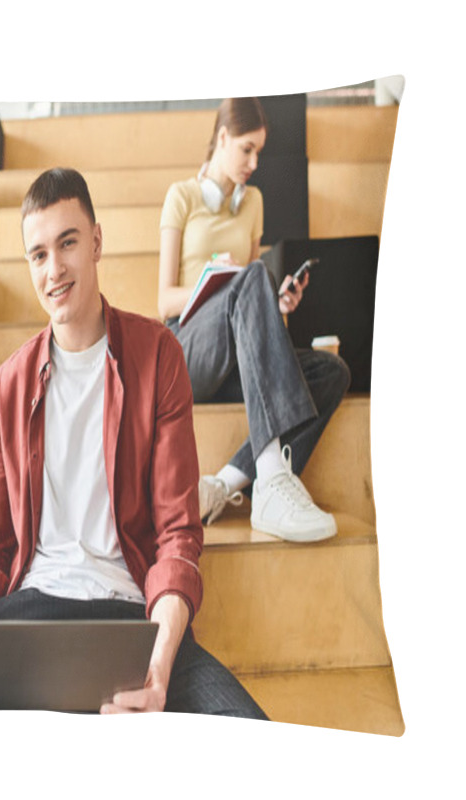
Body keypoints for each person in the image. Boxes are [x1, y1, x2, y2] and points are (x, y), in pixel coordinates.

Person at [0, 168, 268, 718]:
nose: (54, 269)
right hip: (34, 615)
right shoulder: (9, 385)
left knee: (255, 742)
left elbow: (177, 538)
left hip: (135, 620)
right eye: (38, 254)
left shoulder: (159, 354)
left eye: (67, 243)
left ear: (96, 241)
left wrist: (158, 671)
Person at [158, 97, 350, 542]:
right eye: (246, 149)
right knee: (252, 274)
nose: (254, 162)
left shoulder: (254, 202)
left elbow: (251, 302)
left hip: (236, 349)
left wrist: (275, 305)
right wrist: (214, 279)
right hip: (188, 348)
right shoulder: (181, 196)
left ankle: (224, 485)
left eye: (259, 152)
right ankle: (271, 478)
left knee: (332, 372)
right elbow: (164, 300)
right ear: (222, 137)